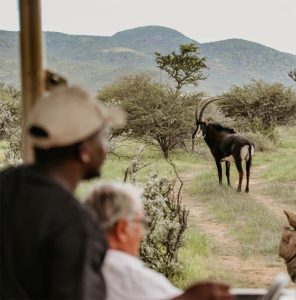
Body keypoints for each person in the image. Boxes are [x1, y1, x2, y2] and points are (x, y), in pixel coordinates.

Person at [0, 86, 126, 299]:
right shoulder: (74, 224)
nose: (105, 148)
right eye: (101, 137)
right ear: (84, 151)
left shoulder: (6, 181)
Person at [85, 182, 234, 300]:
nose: (142, 233)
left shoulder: (75, 268)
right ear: (122, 230)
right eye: (140, 223)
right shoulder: (129, 275)